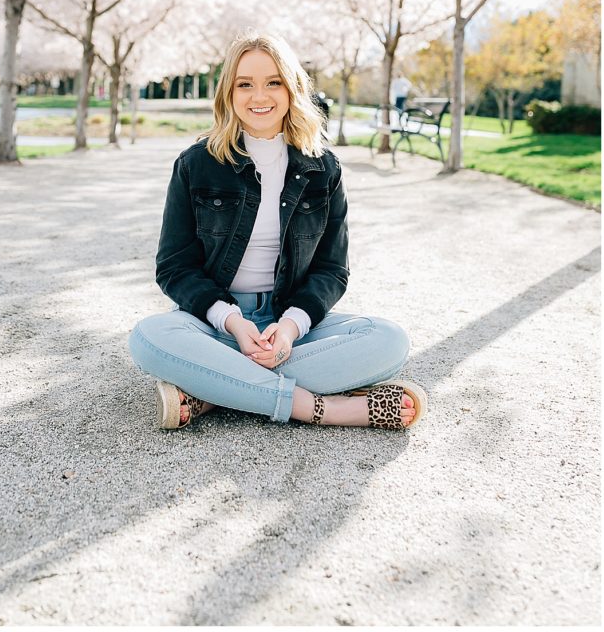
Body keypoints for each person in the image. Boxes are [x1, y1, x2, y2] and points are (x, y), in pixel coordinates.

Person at [128, 32, 427, 431]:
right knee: (149, 336)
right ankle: (323, 409)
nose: (259, 96)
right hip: (215, 323)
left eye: (273, 82)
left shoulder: (324, 170)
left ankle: (213, 389)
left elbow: (332, 271)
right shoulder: (196, 164)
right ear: (229, 93)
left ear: (292, 89)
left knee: (389, 340)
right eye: (245, 84)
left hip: (289, 325)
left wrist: (288, 328)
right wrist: (232, 321)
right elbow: (174, 267)